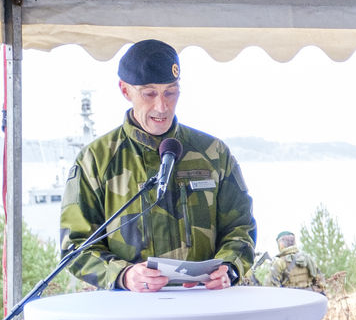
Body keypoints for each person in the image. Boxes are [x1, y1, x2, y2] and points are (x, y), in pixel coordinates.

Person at [60, 39, 256, 291]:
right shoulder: (95, 160)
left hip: (205, 308)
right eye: (149, 93)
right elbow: (76, 246)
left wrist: (230, 266)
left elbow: (240, 227)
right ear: (125, 90)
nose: (162, 106)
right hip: (132, 313)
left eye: (170, 92)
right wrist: (123, 275)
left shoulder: (213, 152)